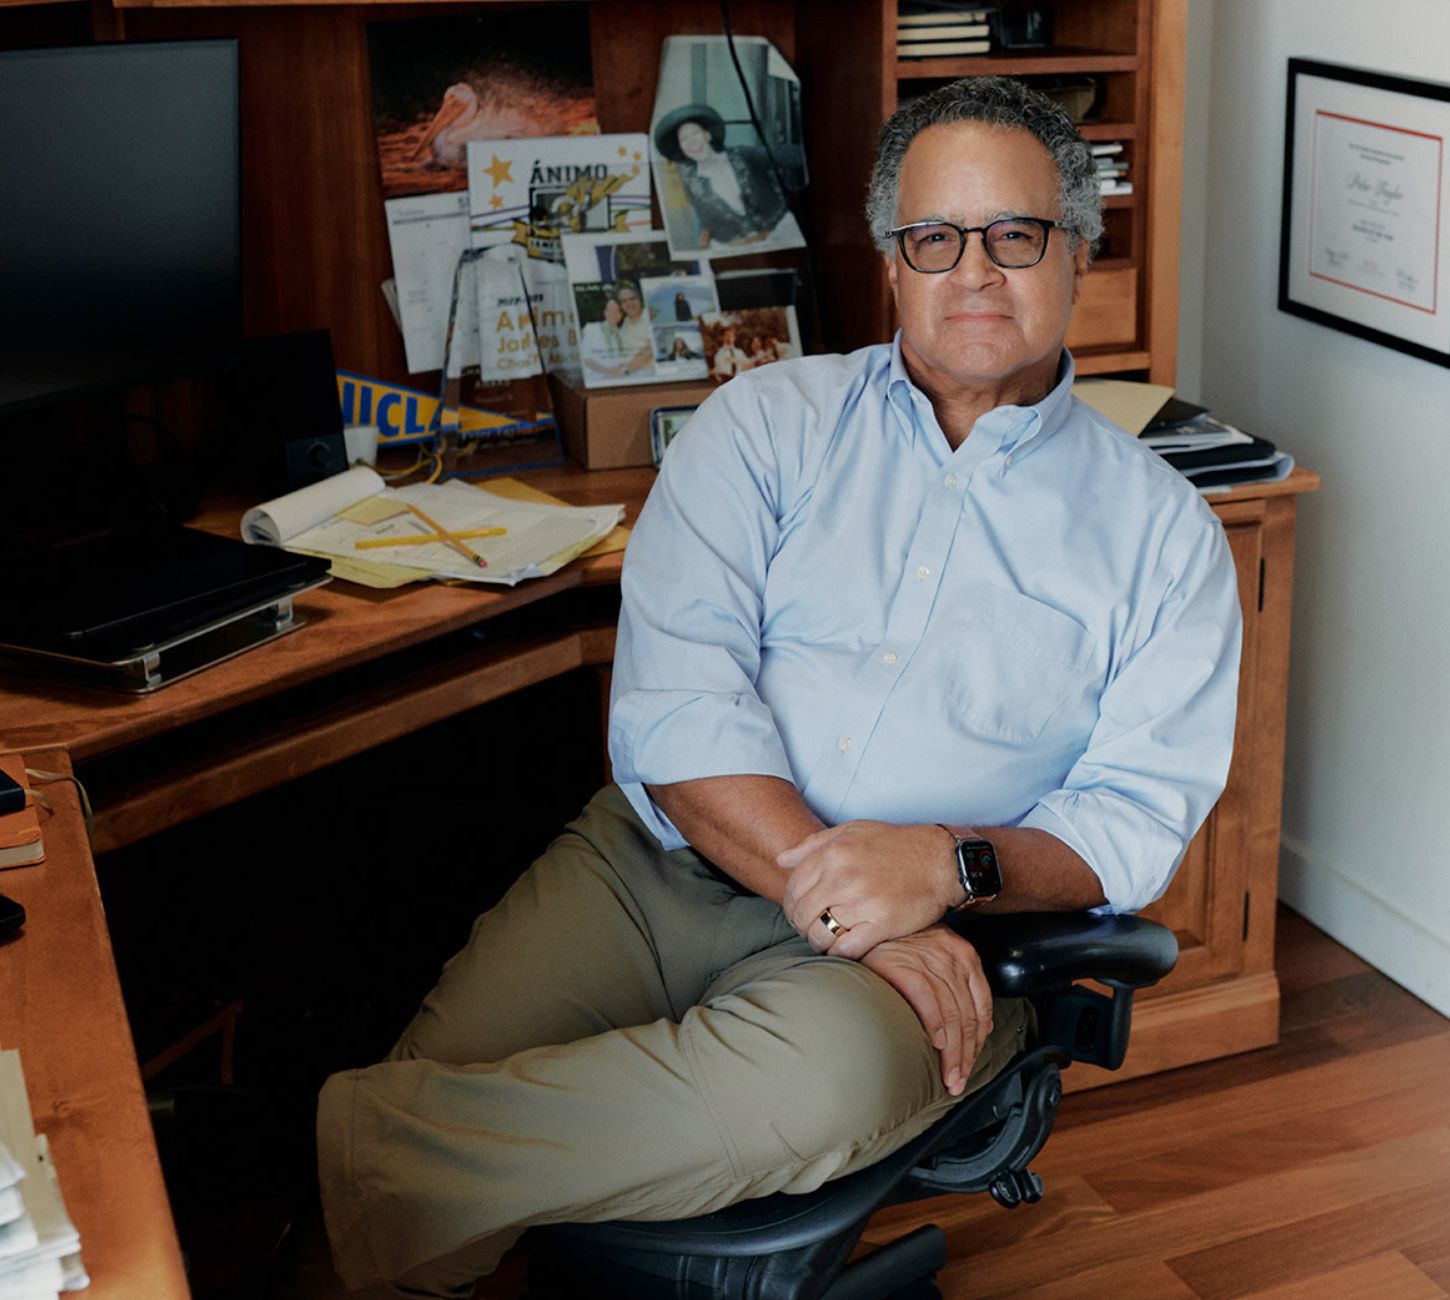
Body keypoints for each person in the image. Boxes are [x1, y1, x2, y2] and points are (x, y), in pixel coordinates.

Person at [315, 75, 1242, 1296]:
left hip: (938, 933)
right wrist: (843, 897)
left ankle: (337, 1150)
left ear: (1078, 252)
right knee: (443, 1158)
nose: (975, 273)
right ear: (891, 266)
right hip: (652, 877)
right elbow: (680, 708)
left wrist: (943, 870)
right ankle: (373, 1174)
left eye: (1016, 235)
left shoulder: (1165, 535)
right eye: (934, 239)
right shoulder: (759, 425)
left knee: (805, 1090)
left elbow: (1131, 817)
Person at [652, 102, 791, 248]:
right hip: (739, 248)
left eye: (694, 133)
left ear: (707, 135)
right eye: (684, 139)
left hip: (783, 232)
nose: (691, 141)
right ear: (682, 148)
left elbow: (794, 156)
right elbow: (705, 221)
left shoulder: (744, 155)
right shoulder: (693, 184)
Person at [576, 292, 631, 380]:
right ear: (605, 312)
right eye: (610, 310)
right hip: (594, 379)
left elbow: (626, 360)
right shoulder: (591, 329)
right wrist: (607, 371)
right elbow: (585, 359)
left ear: (620, 315)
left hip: (619, 379)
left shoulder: (623, 335)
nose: (613, 314)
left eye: (617, 311)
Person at [612, 283, 656, 378]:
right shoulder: (625, 321)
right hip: (632, 373)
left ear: (639, 299)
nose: (629, 303)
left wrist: (625, 370)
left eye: (632, 298)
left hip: (651, 373)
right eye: (624, 301)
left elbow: (650, 350)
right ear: (620, 305)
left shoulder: (652, 315)